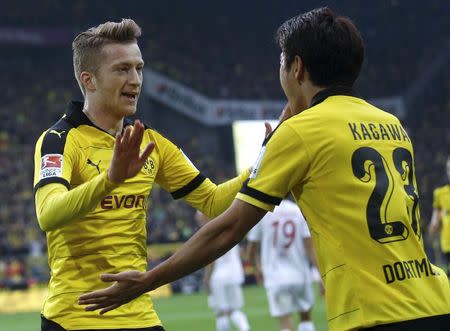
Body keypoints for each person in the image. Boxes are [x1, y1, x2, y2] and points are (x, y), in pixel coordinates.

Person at [78, 8, 450, 331]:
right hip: (435, 298)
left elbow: (228, 228)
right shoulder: (391, 125)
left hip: (375, 313)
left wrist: (147, 281)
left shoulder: (301, 132)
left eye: (282, 62)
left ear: (297, 67)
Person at [33, 19, 251, 331]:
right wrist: (110, 179)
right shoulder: (59, 140)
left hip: (140, 314)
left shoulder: (150, 142)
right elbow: (48, 214)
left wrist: (264, 163)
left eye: (139, 68)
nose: (135, 80)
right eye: (122, 69)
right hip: (75, 318)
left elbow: (213, 202)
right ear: (89, 80)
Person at [247, 199, 320, 331]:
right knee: (306, 317)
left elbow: (251, 250)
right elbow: (310, 247)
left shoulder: (263, 212)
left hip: (275, 277)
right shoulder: (297, 210)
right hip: (300, 275)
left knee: (285, 320)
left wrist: (257, 269)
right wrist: (320, 274)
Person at [196, 211, 251, 331]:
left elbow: (211, 261)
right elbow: (241, 253)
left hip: (218, 277)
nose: (199, 221)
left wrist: (207, 279)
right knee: (235, 310)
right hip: (235, 274)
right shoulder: (228, 229)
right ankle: (245, 328)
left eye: (200, 218)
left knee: (221, 312)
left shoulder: (209, 234)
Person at [429, 156, 450, 275]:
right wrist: (434, 225)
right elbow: (435, 217)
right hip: (447, 241)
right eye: (449, 168)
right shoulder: (440, 193)